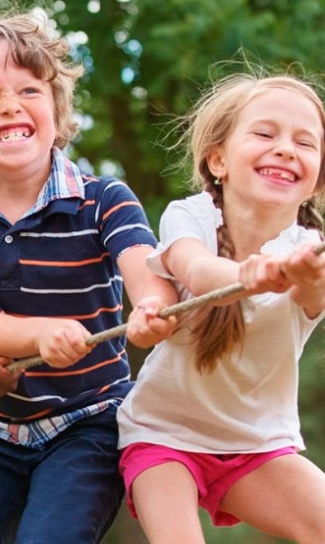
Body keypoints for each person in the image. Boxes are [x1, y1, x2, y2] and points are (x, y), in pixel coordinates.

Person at [0, 13, 178, 544]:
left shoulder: (105, 199)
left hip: (88, 424)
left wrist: (152, 309)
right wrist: (38, 335)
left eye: (29, 89)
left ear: (55, 109)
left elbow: (147, 272)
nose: (10, 104)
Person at [116, 72, 325, 544]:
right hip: (162, 436)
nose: (287, 149)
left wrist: (306, 275)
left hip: (258, 446)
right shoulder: (189, 217)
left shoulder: (309, 250)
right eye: (265, 133)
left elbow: (312, 295)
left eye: (305, 143)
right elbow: (197, 270)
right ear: (218, 160)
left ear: (316, 180)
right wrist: (245, 276)